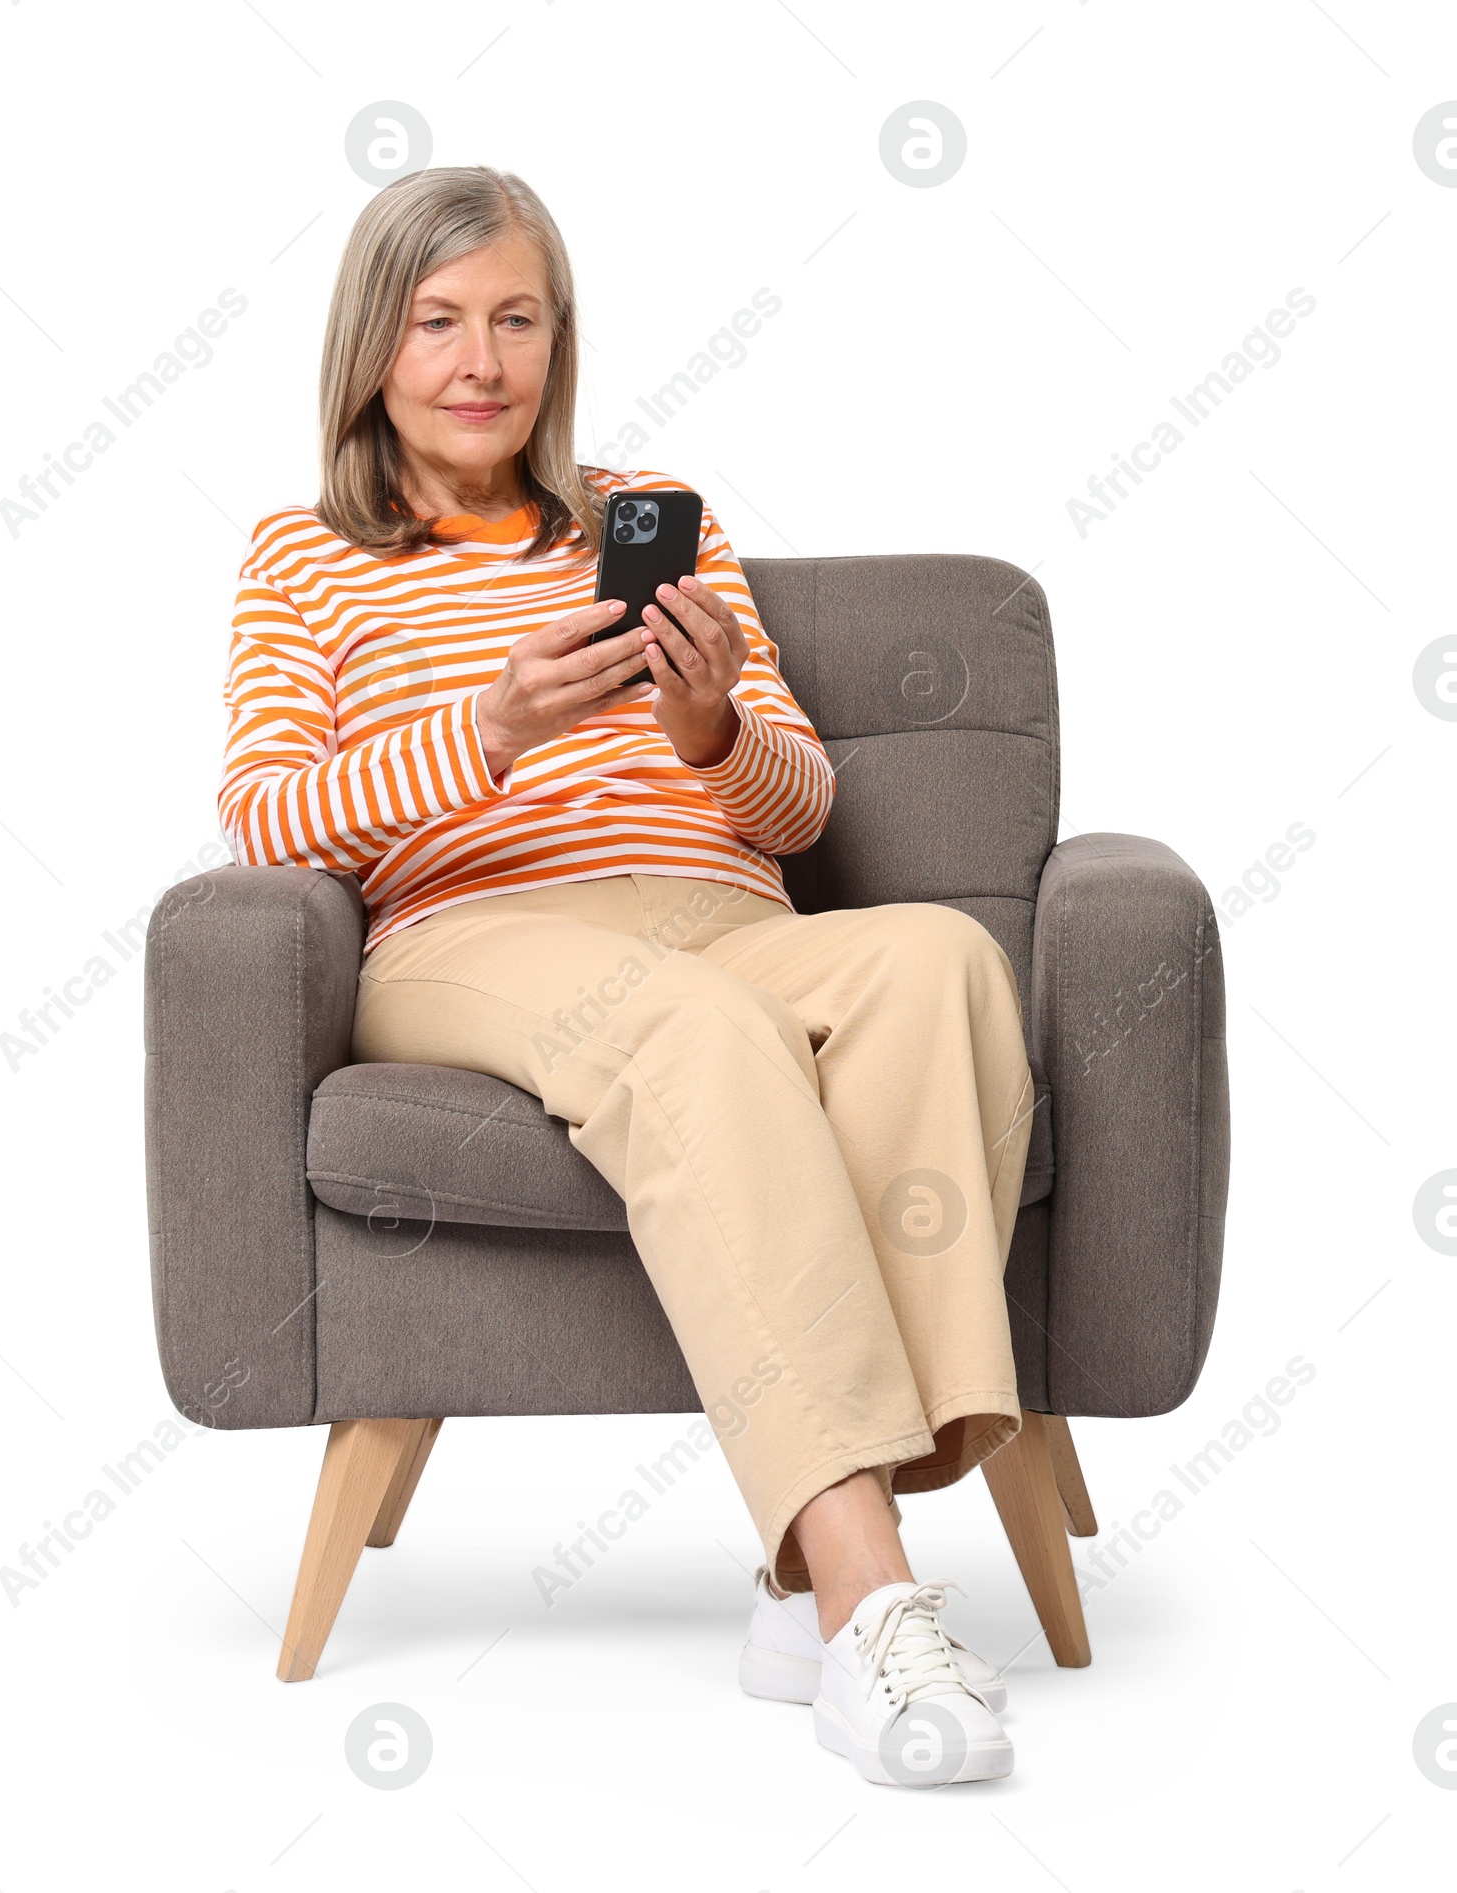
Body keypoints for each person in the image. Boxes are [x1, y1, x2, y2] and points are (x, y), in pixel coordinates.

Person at [218, 166, 1035, 1788]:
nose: (480, 360)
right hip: (473, 932)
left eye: (516, 318)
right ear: (373, 347)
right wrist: (491, 731)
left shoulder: (663, 521)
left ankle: (807, 1591)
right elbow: (261, 823)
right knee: (682, 1021)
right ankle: (873, 1595)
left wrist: (712, 728)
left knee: (935, 957)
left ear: (558, 339)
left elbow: (801, 804)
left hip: (722, 907)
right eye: (439, 321)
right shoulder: (305, 560)